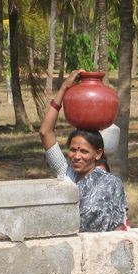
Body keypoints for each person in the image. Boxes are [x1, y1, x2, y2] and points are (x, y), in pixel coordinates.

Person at [39, 70, 128, 232]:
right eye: (73, 150)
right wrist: (64, 88)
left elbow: (119, 227)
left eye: (84, 152)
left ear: (98, 154)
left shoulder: (111, 183)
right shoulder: (65, 173)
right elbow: (45, 133)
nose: (76, 156)